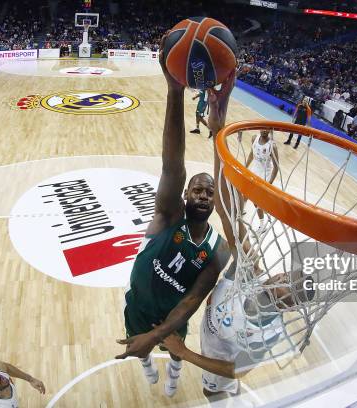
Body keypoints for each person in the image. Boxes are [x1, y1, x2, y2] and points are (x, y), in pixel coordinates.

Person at [115, 35, 235, 398]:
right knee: (139, 348)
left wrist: (220, 128)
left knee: (175, 352)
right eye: (197, 189)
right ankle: (149, 364)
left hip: (173, 317)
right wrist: (174, 92)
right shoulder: (168, 217)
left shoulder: (218, 250)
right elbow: (172, 166)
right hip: (138, 302)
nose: (202, 193)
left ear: (215, 202)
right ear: (186, 195)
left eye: (209, 191)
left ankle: (171, 373)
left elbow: (193, 300)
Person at [160, 270, 314, 401]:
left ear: (292, 306)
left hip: (220, 362)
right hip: (209, 339)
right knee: (230, 385)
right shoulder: (249, 273)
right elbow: (238, 244)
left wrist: (184, 352)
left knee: (210, 392)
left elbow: (238, 370)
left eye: (288, 285)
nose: (280, 278)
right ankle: (237, 397)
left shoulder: (269, 333)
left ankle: (232, 397)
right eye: (286, 274)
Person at [245, 129, 279, 230]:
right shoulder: (254, 138)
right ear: (260, 128)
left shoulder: (272, 146)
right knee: (244, 191)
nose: (264, 130)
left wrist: (269, 183)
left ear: (270, 130)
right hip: (254, 171)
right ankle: (242, 209)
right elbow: (252, 153)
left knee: (256, 201)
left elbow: (276, 167)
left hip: (264, 176)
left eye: (267, 128)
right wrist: (245, 166)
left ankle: (262, 224)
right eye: (263, 128)